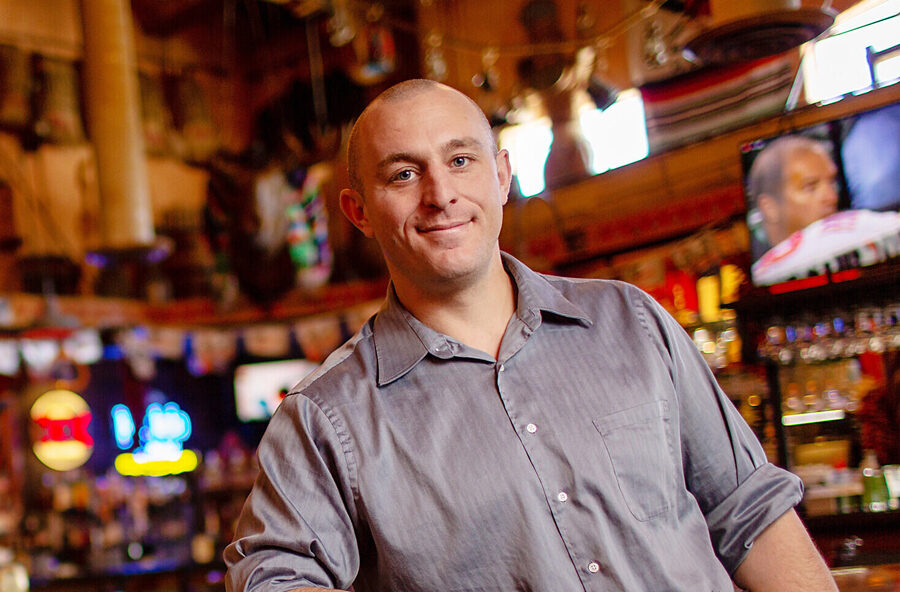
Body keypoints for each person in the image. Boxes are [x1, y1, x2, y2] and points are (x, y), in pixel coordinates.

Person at [224, 79, 837, 591]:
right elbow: (273, 575)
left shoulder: (630, 321)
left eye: (461, 161)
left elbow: (749, 510)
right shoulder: (327, 418)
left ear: (502, 174)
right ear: (359, 211)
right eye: (404, 174)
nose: (442, 195)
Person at [746, 135, 840, 263]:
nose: (832, 198)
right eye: (810, 187)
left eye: (832, 182)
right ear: (770, 208)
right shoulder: (763, 271)